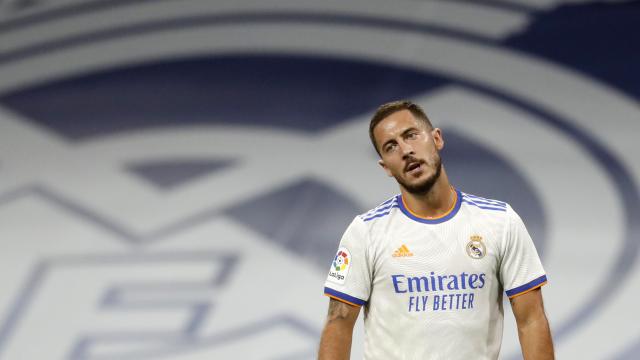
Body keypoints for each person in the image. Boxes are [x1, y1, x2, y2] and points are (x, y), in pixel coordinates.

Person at [318, 101, 554, 359]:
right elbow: (338, 325)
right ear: (385, 166)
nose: (406, 150)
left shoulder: (500, 222)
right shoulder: (366, 232)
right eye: (391, 146)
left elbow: (532, 320)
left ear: (437, 138)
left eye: (411, 135)